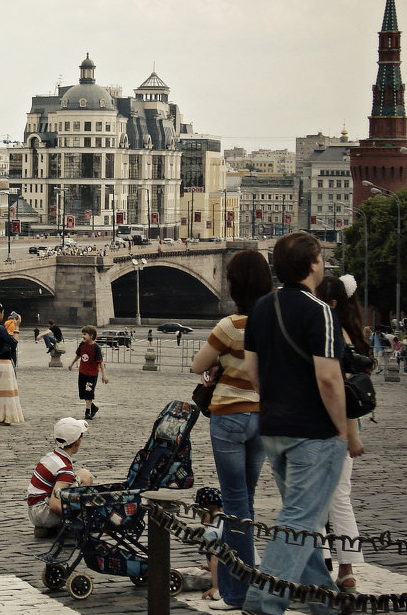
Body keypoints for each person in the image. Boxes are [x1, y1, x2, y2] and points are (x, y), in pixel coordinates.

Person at [241, 231, 356, 615]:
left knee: (300, 518)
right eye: (321, 258)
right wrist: (341, 429)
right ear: (311, 265)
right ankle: (263, 602)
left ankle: (323, 602)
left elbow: (252, 371)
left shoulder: (261, 308)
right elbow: (329, 379)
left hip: (273, 427)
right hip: (313, 432)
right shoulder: (319, 310)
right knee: (300, 519)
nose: (323, 264)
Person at [190, 249, 271, 610]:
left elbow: (198, 365)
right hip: (265, 417)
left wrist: (222, 361)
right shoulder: (274, 322)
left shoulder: (229, 326)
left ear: (235, 285)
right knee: (246, 502)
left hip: (230, 416)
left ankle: (238, 592)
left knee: (235, 503)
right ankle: (242, 580)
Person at [314, 274, 368, 592]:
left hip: (332, 424)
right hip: (342, 425)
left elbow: (341, 388)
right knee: (338, 497)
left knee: (322, 498)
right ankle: (345, 570)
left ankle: (326, 565)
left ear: (331, 303)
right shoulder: (346, 332)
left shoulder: (332, 334)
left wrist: (350, 435)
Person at [25, 417, 95, 538]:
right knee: (85, 475)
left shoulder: (51, 457)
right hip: (44, 513)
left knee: (76, 478)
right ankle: (67, 526)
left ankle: (49, 528)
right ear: (78, 441)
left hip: (34, 510)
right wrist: (80, 519)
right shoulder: (64, 469)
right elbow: (55, 505)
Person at [67, 326, 107, 420]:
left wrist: (103, 375)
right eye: (82, 334)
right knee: (83, 393)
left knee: (89, 392)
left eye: (85, 334)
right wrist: (71, 364)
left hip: (91, 375)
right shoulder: (82, 344)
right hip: (82, 373)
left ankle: (87, 412)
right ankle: (93, 407)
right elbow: (78, 355)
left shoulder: (96, 348)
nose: (83, 336)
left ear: (91, 336)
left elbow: (100, 362)